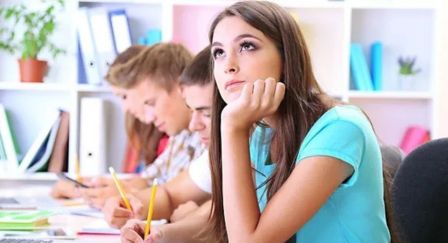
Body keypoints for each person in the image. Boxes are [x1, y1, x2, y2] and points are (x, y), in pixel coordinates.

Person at [207, 1, 390, 243]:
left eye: (247, 46)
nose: (228, 65)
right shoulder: (262, 133)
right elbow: (230, 216)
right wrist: (160, 234)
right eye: (218, 52)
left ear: (286, 57)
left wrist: (232, 128)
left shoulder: (341, 127)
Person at [53, 43, 206, 208]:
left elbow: (172, 196)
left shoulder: (204, 135)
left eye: (150, 103)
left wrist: (126, 195)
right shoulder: (180, 136)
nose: (148, 117)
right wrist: (101, 189)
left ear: (181, 89)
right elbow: (150, 180)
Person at [103, 46, 213, 232]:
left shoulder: (224, 143)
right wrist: (129, 203)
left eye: (207, 113)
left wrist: (194, 218)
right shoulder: (186, 139)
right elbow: (168, 194)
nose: (194, 125)